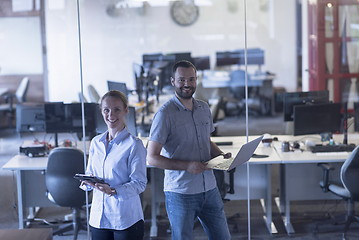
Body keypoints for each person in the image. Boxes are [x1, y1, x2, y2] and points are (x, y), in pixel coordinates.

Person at [147, 60, 231, 240]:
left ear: (196, 80)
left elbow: (206, 141)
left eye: (191, 79)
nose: (187, 84)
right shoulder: (164, 114)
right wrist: (187, 166)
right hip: (181, 193)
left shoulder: (203, 108)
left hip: (209, 189)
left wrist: (221, 156)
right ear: (172, 81)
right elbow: (152, 158)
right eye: (182, 80)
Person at [82, 90, 147, 240]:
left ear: (125, 111)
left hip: (125, 218)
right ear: (101, 112)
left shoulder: (134, 145)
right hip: (99, 217)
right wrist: (87, 182)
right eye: (106, 110)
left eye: (116, 109)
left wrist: (113, 191)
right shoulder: (95, 142)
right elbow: (90, 172)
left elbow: (140, 183)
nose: (111, 115)